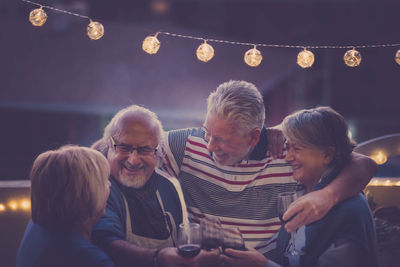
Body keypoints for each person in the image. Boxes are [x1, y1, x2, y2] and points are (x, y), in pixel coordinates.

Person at [160, 80, 377, 259]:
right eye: (207, 132)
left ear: (254, 136)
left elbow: (363, 163)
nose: (209, 145)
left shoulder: (289, 152)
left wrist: (326, 196)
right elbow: (133, 149)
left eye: (221, 139)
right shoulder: (185, 145)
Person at [260, 106, 377, 266]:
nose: (287, 157)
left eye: (297, 148)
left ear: (327, 155)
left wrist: (262, 264)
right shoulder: (299, 192)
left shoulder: (349, 211)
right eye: (288, 147)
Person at [91, 105, 195, 267]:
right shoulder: (98, 185)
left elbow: (180, 245)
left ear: (157, 151)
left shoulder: (168, 187)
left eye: (144, 149)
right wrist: (157, 258)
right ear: (109, 146)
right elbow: (105, 241)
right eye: (124, 147)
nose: (133, 160)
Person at [17, 146, 115, 267]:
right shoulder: (88, 258)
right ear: (86, 193)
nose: (109, 185)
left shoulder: (37, 227)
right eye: (104, 180)